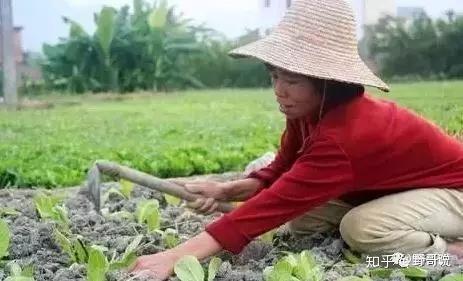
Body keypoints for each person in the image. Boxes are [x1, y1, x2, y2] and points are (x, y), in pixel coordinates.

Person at [130, 0, 463, 279]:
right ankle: (394, 239)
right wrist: (226, 190)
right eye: (274, 76)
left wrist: (176, 256)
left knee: (360, 230)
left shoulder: (346, 135)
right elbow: (281, 171)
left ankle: (448, 254)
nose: (279, 89)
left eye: (291, 80)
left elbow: (273, 205)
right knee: (305, 219)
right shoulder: (308, 111)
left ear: (327, 81)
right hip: (399, 190)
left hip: (454, 192)